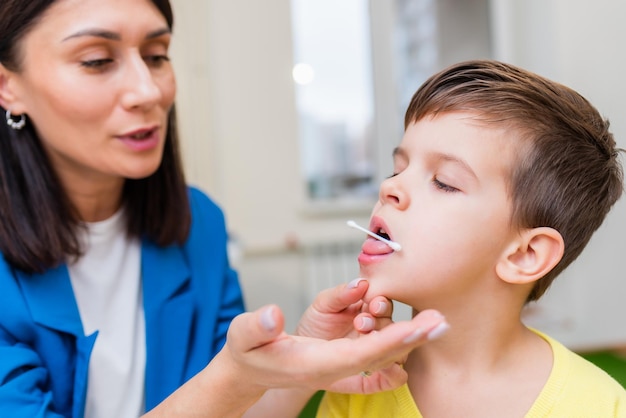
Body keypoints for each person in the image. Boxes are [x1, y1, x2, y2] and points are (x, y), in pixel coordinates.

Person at [0, 0, 449, 417]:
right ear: (8, 85)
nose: (148, 91)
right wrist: (234, 375)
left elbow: (232, 409)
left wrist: (303, 361)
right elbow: (223, 388)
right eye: (97, 60)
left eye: (157, 56)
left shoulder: (199, 226)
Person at [316, 60, 626, 417]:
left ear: (524, 254)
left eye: (444, 181)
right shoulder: (356, 390)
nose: (390, 187)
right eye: (399, 169)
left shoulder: (600, 406)